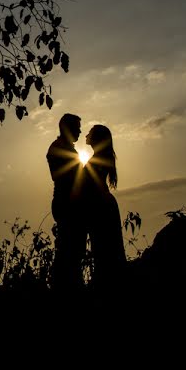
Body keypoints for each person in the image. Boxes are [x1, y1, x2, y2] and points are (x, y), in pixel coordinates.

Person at [81, 124, 126, 284]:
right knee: (104, 245)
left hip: (100, 205)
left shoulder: (98, 159)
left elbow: (90, 183)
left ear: (97, 138)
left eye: (90, 133)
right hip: (101, 203)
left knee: (104, 247)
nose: (86, 135)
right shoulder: (101, 157)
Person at [46, 113, 86, 290]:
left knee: (74, 251)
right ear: (67, 128)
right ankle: (63, 288)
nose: (79, 131)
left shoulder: (67, 148)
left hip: (71, 203)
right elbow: (60, 176)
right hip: (66, 203)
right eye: (77, 127)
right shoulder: (57, 148)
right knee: (68, 252)